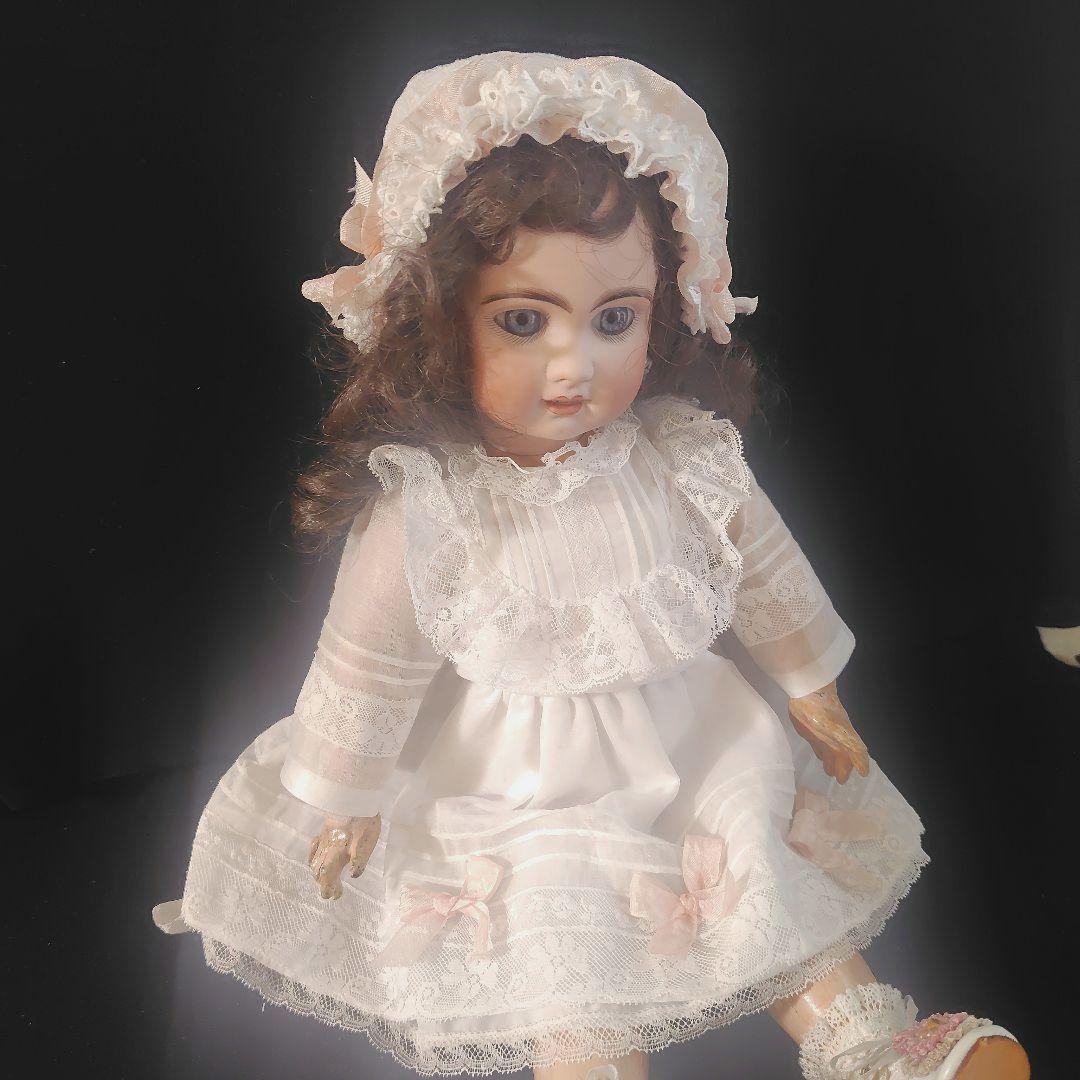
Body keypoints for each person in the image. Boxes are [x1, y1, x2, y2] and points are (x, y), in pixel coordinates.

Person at [153, 52, 1031, 1079]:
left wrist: (809, 683)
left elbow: (761, 561)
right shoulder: (430, 503)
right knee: (570, 958)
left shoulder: (677, 452)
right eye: (524, 321)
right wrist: (347, 791)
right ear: (438, 322)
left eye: (615, 319)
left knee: (762, 870)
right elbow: (370, 656)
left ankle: (872, 1048)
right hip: (522, 786)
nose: (577, 365)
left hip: (691, 736)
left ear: (665, 307)